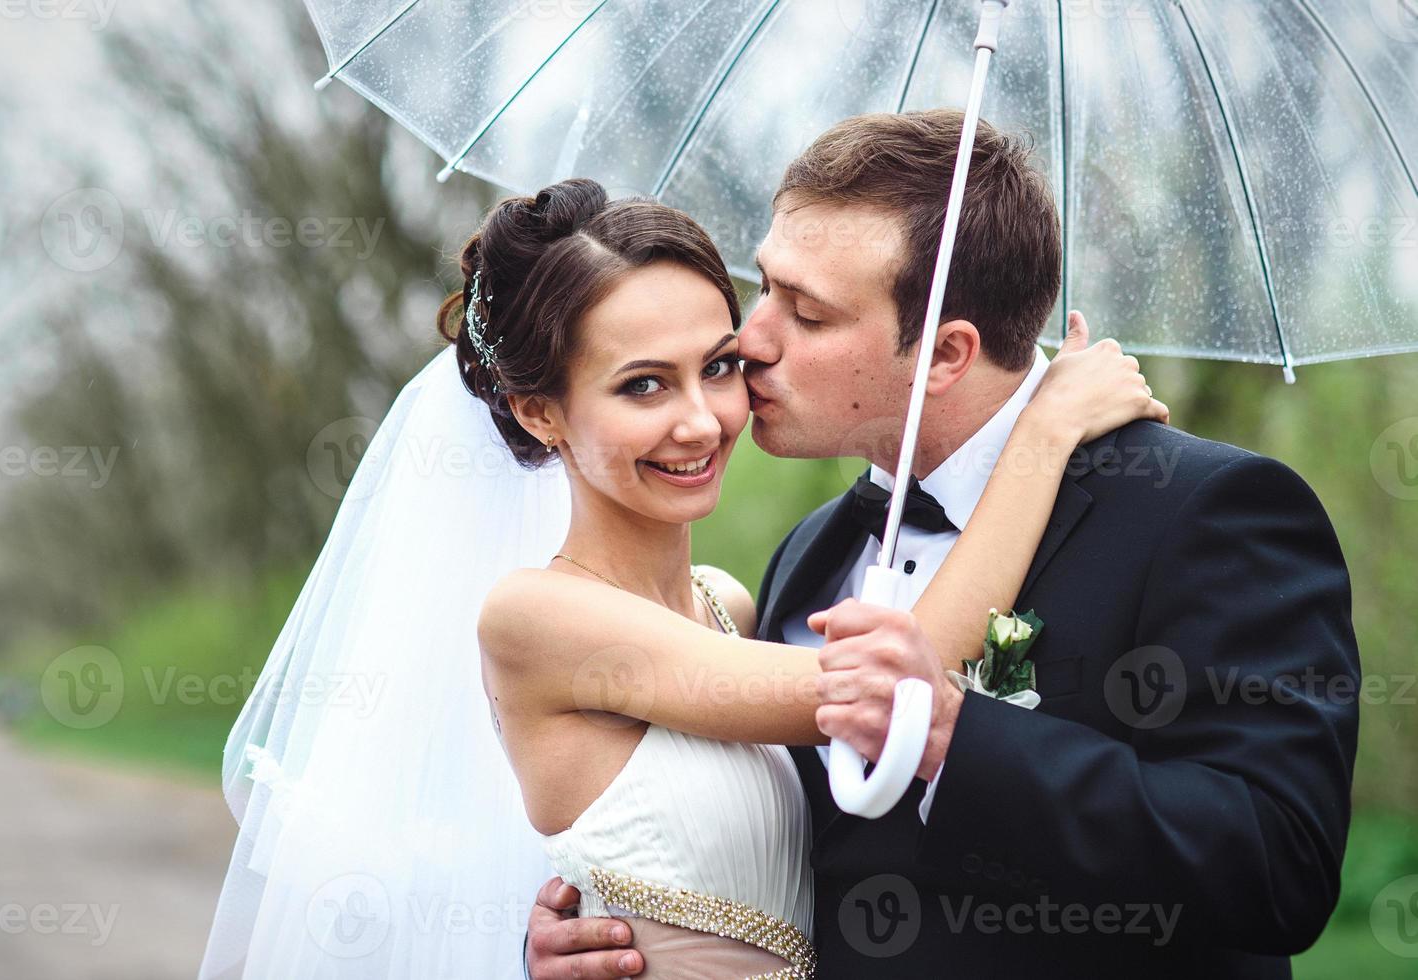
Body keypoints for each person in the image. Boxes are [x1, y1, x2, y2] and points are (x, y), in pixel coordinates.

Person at [526, 112, 1359, 979]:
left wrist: (960, 741)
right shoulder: (808, 554)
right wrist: (620, 925)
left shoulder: (1204, 513)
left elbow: (1279, 864)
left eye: (806, 314)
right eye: (763, 285)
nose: (752, 340)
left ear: (946, 354)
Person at [453, 174, 1159, 978]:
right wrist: (1048, 428)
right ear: (537, 411)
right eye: (642, 385)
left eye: (718, 367)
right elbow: (893, 682)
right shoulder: (532, 617)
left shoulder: (730, 603)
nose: (702, 419)